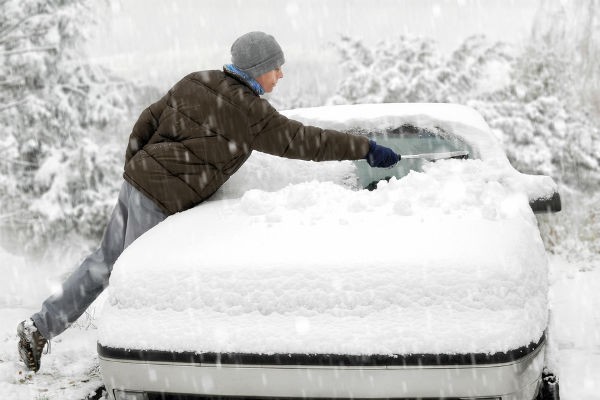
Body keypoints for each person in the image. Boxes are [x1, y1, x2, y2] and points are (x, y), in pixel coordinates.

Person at [17, 31, 399, 372]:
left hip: (136, 184)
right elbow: (305, 142)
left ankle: (41, 326)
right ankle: (139, 361)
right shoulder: (252, 113)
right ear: (258, 68)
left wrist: (136, 165)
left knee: (103, 262)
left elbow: (145, 121)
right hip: (159, 199)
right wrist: (364, 147)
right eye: (276, 68)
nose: (281, 75)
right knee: (136, 282)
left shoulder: (196, 81)